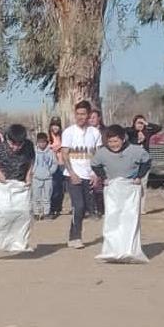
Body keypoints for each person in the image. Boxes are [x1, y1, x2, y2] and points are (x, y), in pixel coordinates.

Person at [91, 125, 151, 263]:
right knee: (113, 219)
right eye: (110, 142)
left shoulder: (135, 150)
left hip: (130, 188)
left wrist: (139, 177)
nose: (113, 145)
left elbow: (147, 162)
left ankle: (130, 250)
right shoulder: (102, 152)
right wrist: (103, 177)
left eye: (116, 141)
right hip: (112, 188)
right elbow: (95, 165)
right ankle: (112, 250)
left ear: (123, 139)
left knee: (130, 219)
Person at [0, 124, 35, 252]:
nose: (16, 147)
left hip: (21, 184)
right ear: (7, 139)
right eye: (13, 144)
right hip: (4, 184)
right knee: (5, 212)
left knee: (25, 213)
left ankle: (19, 243)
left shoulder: (28, 146)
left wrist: (29, 175)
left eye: (19, 144)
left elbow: (31, 159)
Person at [62, 100, 102, 249]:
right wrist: (72, 173)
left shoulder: (95, 133)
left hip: (89, 174)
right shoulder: (69, 132)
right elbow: (65, 154)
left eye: (83, 114)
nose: (80, 117)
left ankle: (76, 233)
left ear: (89, 115)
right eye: (77, 114)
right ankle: (75, 237)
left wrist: (96, 174)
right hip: (73, 175)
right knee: (78, 206)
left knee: (84, 207)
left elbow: (98, 155)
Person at [126, 115, 162, 214]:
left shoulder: (147, 132)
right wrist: (136, 130)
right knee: (132, 185)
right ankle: (132, 206)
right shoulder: (131, 133)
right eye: (138, 123)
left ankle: (141, 208)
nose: (140, 125)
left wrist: (146, 124)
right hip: (133, 163)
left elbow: (158, 128)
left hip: (145, 163)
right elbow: (126, 130)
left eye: (142, 123)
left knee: (143, 185)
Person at [32, 132, 58, 219]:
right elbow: (30, 163)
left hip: (48, 178)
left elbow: (55, 163)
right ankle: (36, 213)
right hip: (36, 178)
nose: (41, 144)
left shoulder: (50, 152)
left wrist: (50, 172)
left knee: (47, 196)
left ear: (46, 142)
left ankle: (46, 212)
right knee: (36, 196)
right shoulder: (34, 152)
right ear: (37, 142)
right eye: (39, 142)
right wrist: (33, 172)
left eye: (43, 142)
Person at [89, 108, 106, 217]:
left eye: (94, 117)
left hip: (104, 161)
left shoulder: (106, 131)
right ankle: (94, 208)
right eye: (89, 118)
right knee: (93, 186)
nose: (91, 120)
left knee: (103, 186)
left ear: (99, 118)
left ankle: (103, 208)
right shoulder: (86, 132)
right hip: (90, 161)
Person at [48, 117, 65, 218]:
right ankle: (52, 208)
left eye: (57, 125)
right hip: (52, 165)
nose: (55, 128)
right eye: (53, 125)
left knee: (61, 188)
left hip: (62, 163)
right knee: (53, 187)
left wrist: (61, 147)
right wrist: (52, 148)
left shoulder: (63, 137)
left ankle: (58, 208)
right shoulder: (47, 137)